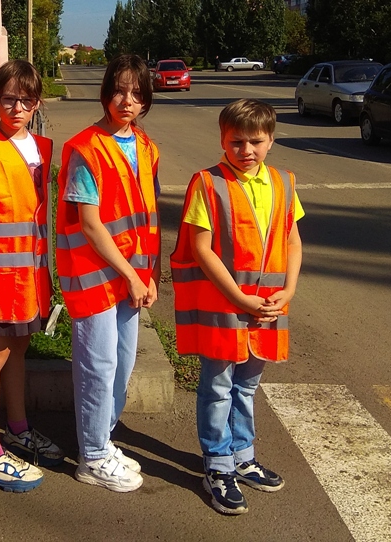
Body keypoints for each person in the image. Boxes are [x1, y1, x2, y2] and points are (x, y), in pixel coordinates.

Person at [170, 98, 304, 516]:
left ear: (271, 141)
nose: (246, 150)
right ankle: (218, 464)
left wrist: (289, 290)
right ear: (222, 140)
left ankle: (243, 457)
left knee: (246, 386)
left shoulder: (283, 182)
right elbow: (201, 249)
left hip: (266, 307)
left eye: (256, 142)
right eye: (236, 142)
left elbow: (292, 240)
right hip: (225, 307)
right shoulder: (207, 183)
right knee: (217, 387)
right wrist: (239, 298)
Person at [55, 53, 160, 492]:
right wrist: (133, 275)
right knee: (98, 366)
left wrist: (149, 274)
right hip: (94, 274)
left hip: (131, 276)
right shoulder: (86, 149)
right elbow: (91, 224)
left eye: (136, 93)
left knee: (122, 363)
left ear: (146, 99)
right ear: (105, 94)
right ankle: (93, 456)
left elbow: (147, 216)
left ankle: (103, 438)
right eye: (119, 91)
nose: (127, 101)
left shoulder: (146, 147)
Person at [0, 60, 60, 492]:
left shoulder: (40, 148)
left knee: (17, 350)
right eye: (8, 99)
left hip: (30, 279)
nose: (17, 107)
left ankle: (17, 429)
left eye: (26, 100)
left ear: (37, 103)